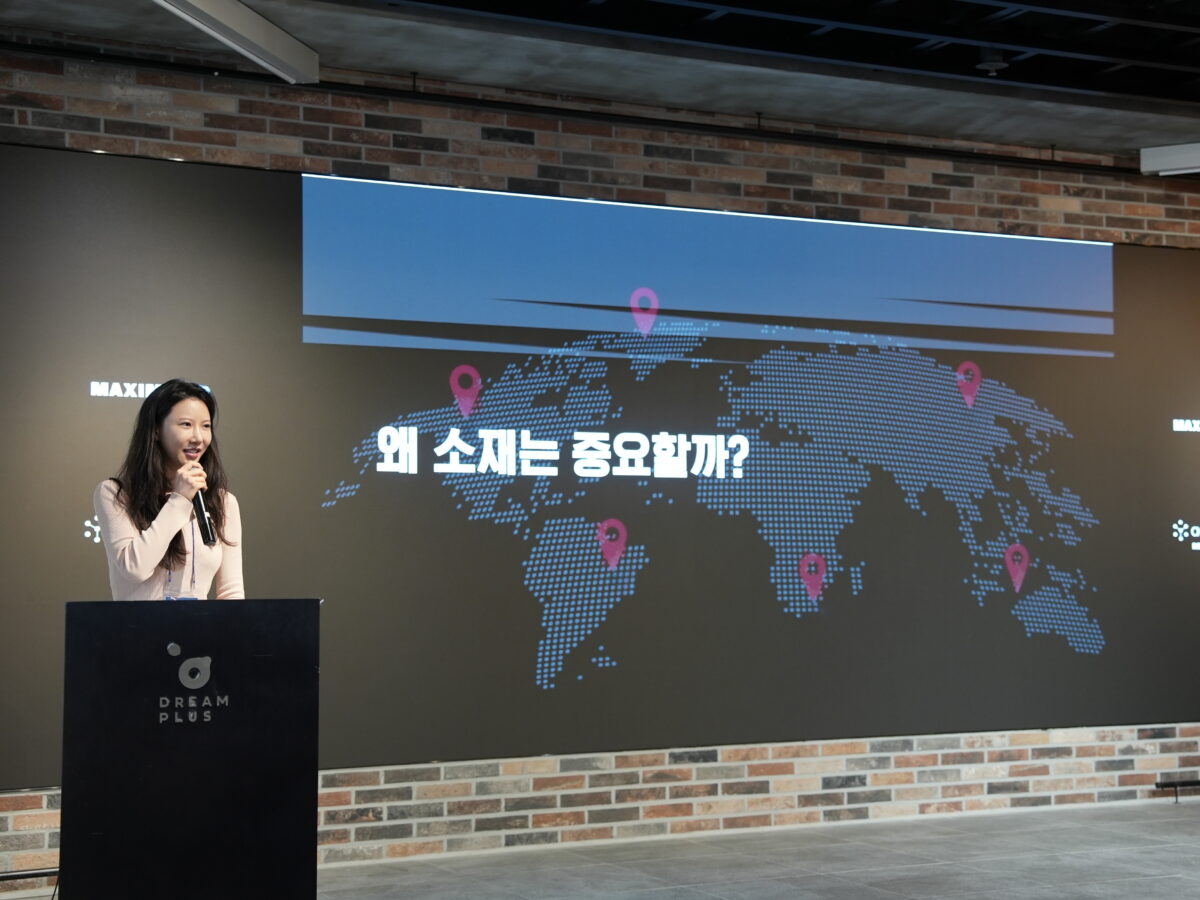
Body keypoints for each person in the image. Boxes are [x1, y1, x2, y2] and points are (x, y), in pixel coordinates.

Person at [94, 379, 244, 601]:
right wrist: (180, 499)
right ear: (156, 430)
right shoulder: (116, 493)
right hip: (139, 623)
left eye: (205, 426)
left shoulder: (224, 501)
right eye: (186, 424)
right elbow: (134, 569)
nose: (198, 437)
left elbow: (231, 592)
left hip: (200, 624)